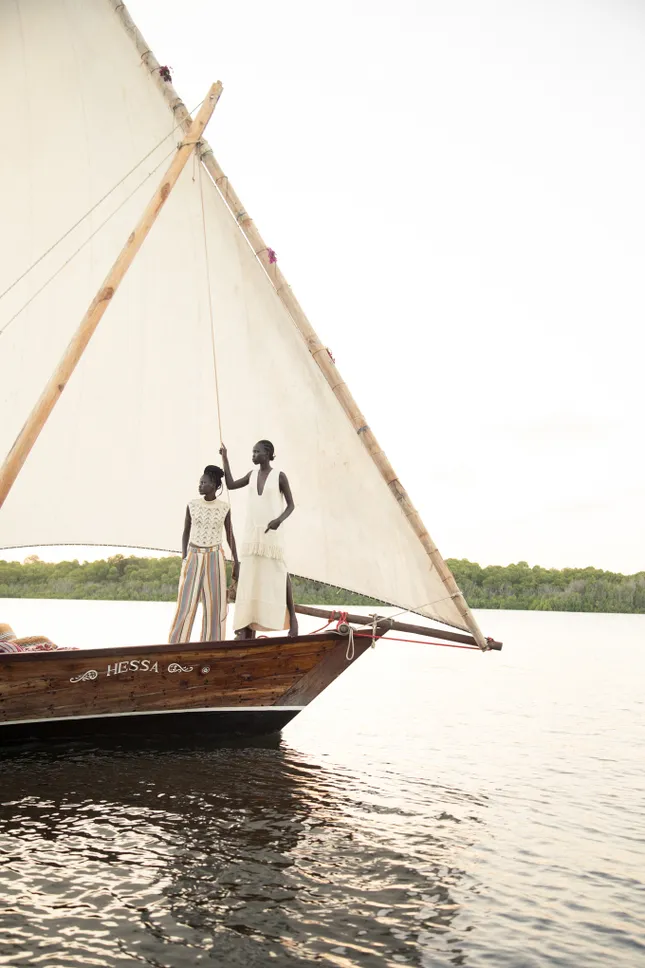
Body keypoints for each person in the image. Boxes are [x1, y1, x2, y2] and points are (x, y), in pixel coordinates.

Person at [219, 440, 298, 638]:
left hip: (272, 534)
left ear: (268, 453)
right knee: (250, 578)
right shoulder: (252, 475)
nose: (253, 455)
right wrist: (225, 458)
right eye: (252, 452)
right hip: (252, 534)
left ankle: (293, 622)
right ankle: (246, 626)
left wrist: (279, 520)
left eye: (256, 452)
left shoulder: (279, 476)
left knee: (280, 573)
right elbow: (230, 484)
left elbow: (291, 505)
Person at [168, 465, 239, 644]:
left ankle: (212, 645)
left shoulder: (224, 507)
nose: (200, 485)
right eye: (200, 482)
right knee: (186, 603)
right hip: (193, 555)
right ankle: (176, 645)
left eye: (203, 482)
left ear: (214, 485)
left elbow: (230, 535)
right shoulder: (192, 505)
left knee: (215, 606)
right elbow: (185, 531)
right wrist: (184, 557)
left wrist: (237, 560)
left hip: (215, 557)